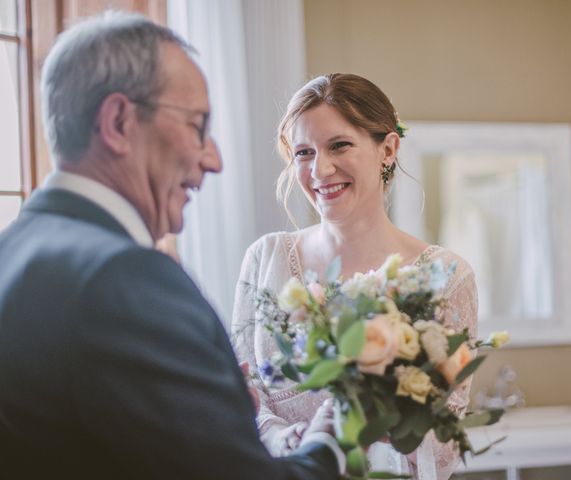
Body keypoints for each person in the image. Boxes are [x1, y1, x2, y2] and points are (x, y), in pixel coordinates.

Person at [0, 12, 344, 480]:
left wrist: (213, 417)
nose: (215, 159)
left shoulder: (12, 251)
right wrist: (328, 444)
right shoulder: (124, 278)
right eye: (197, 125)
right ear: (119, 121)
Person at [232, 73, 478, 480]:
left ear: (388, 148)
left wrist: (369, 426)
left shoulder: (447, 276)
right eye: (304, 152)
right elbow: (243, 393)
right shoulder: (264, 259)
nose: (320, 169)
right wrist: (280, 440)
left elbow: (446, 445)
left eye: (339, 145)